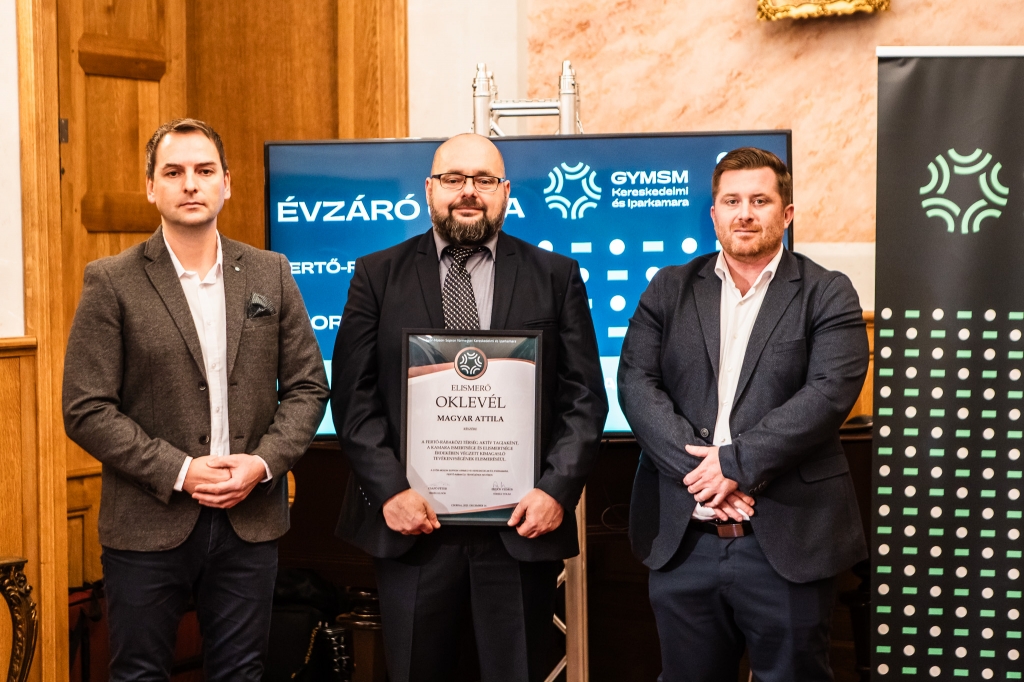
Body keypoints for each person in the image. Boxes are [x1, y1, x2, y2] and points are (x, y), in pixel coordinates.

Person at [332, 133, 607, 682]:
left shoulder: (556, 276)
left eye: (484, 180)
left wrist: (556, 491)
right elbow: (353, 396)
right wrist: (390, 492)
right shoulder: (377, 274)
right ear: (429, 189)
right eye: (453, 179)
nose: (468, 192)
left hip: (520, 527)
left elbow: (584, 398)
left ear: (505, 191)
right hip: (411, 528)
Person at [62, 118, 330, 681]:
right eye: (174, 172)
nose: (190, 184)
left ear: (226, 183)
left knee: (242, 673)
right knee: (139, 674)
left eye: (204, 171)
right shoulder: (111, 280)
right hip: (147, 522)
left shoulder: (271, 272)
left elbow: (308, 387)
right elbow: (86, 408)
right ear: (150, 187)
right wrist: (181, 471)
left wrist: (262, 464)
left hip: (250, 518)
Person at [618, 147, 869, 681]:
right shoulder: (669, 288)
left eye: (760, 200)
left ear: (787, 213)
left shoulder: (827, 292)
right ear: (714, 215)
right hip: (685, 542)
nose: (745, 213)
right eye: (731, 201)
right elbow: (636, 384)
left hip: (787, 540)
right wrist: (704, 474)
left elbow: (828, 395)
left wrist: (733, 465)